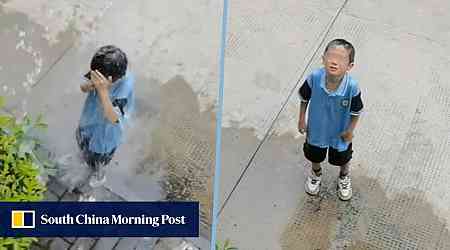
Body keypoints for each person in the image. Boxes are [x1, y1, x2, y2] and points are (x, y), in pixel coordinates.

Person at [298, 39, 363, 201]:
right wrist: (301, 119)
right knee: (315, 154)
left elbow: (356, 111)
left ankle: (344, 176)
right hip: (317, 128)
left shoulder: (352, 87)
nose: (334, 62)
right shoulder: (314, 77)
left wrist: (350, 131)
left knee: (342, 156)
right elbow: (304, 98)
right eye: (331, 57)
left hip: (340, 131)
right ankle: (316, 172)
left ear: (349, 66)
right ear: (323, 58)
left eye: (341, 59)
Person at [75, 45, 135, 199]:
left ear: (110, 79)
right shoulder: (101, 71)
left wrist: (102, 91)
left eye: (97, 78)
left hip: (104, 138)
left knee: (98, 163)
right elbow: (83, 88)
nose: (93, 78)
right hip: (87, 124)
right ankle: (84, 160)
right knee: (82, 147)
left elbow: (113, 118)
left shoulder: (124, 88)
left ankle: (95, 184)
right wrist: (92, 84)